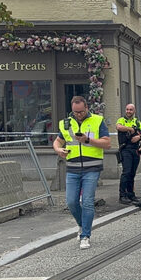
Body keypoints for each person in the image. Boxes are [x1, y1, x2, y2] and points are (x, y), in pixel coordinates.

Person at [52, 96, 111, 250]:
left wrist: (87, 140)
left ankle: (85, 235)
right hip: (72, 167)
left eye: (81, 111)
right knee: (71, 202)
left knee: (87, 201)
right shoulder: (66, 123)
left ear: (87, 108)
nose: (78, 114)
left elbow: (107, 143)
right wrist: (59, 150)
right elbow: (58, 141)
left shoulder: (97, 120)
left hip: (92, 167)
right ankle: (82, 225)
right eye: (75, 112)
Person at [115, 103, 141, 204]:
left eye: (131, 110)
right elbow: (118, 127)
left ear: (134, 111)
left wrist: (139, 137)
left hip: (135, 149)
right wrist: (130, 129)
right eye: (127, 109)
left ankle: (130, 194)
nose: (129, 111)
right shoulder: (121, 120)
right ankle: (122, 195)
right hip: (125, 149)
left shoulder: (136, 121)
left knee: (132, 173)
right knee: (126, 172)